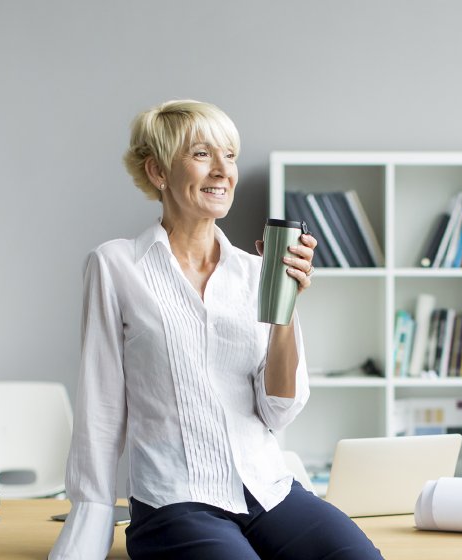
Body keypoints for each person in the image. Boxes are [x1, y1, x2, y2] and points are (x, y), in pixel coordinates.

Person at [49, 100, 383, 560]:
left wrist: (284, 309)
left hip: (268, 490)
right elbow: (100, 409)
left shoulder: (255, 273)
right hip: (175, 500)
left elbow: (278, 410)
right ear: (158, 171)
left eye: (230, 155)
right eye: (203, 154)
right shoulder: (116, 266)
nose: (224, 171)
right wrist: (89, 522)